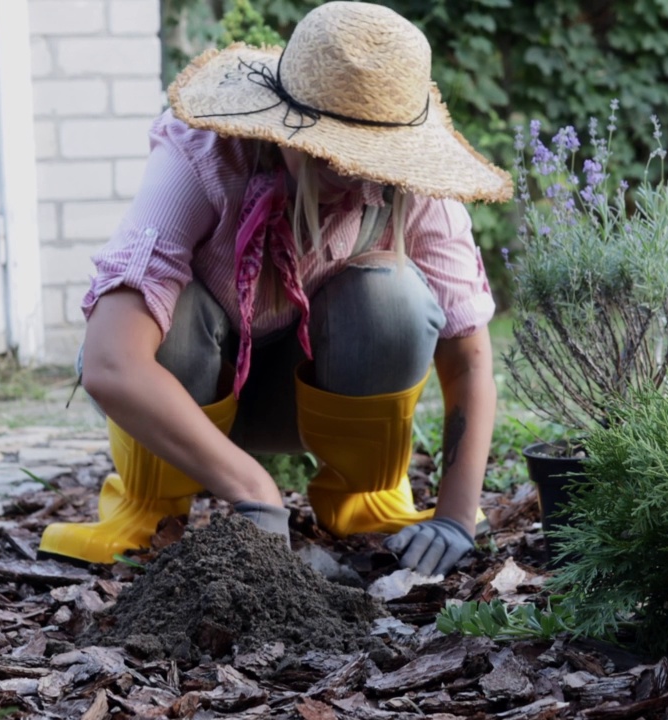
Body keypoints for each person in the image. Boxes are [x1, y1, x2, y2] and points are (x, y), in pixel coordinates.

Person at [37, 1, 512, 578]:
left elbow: (469, 362)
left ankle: (366, 507)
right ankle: (152, 510)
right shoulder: (207, 157)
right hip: (188, 394)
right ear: (283, 125)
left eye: (374, 160)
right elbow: (111, 363)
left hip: (313, 393)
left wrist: (457, 518)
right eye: (335, 155)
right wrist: (254, 489)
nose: (357, 175)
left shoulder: (413, 191)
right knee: (172, 308)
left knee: (393, 298)